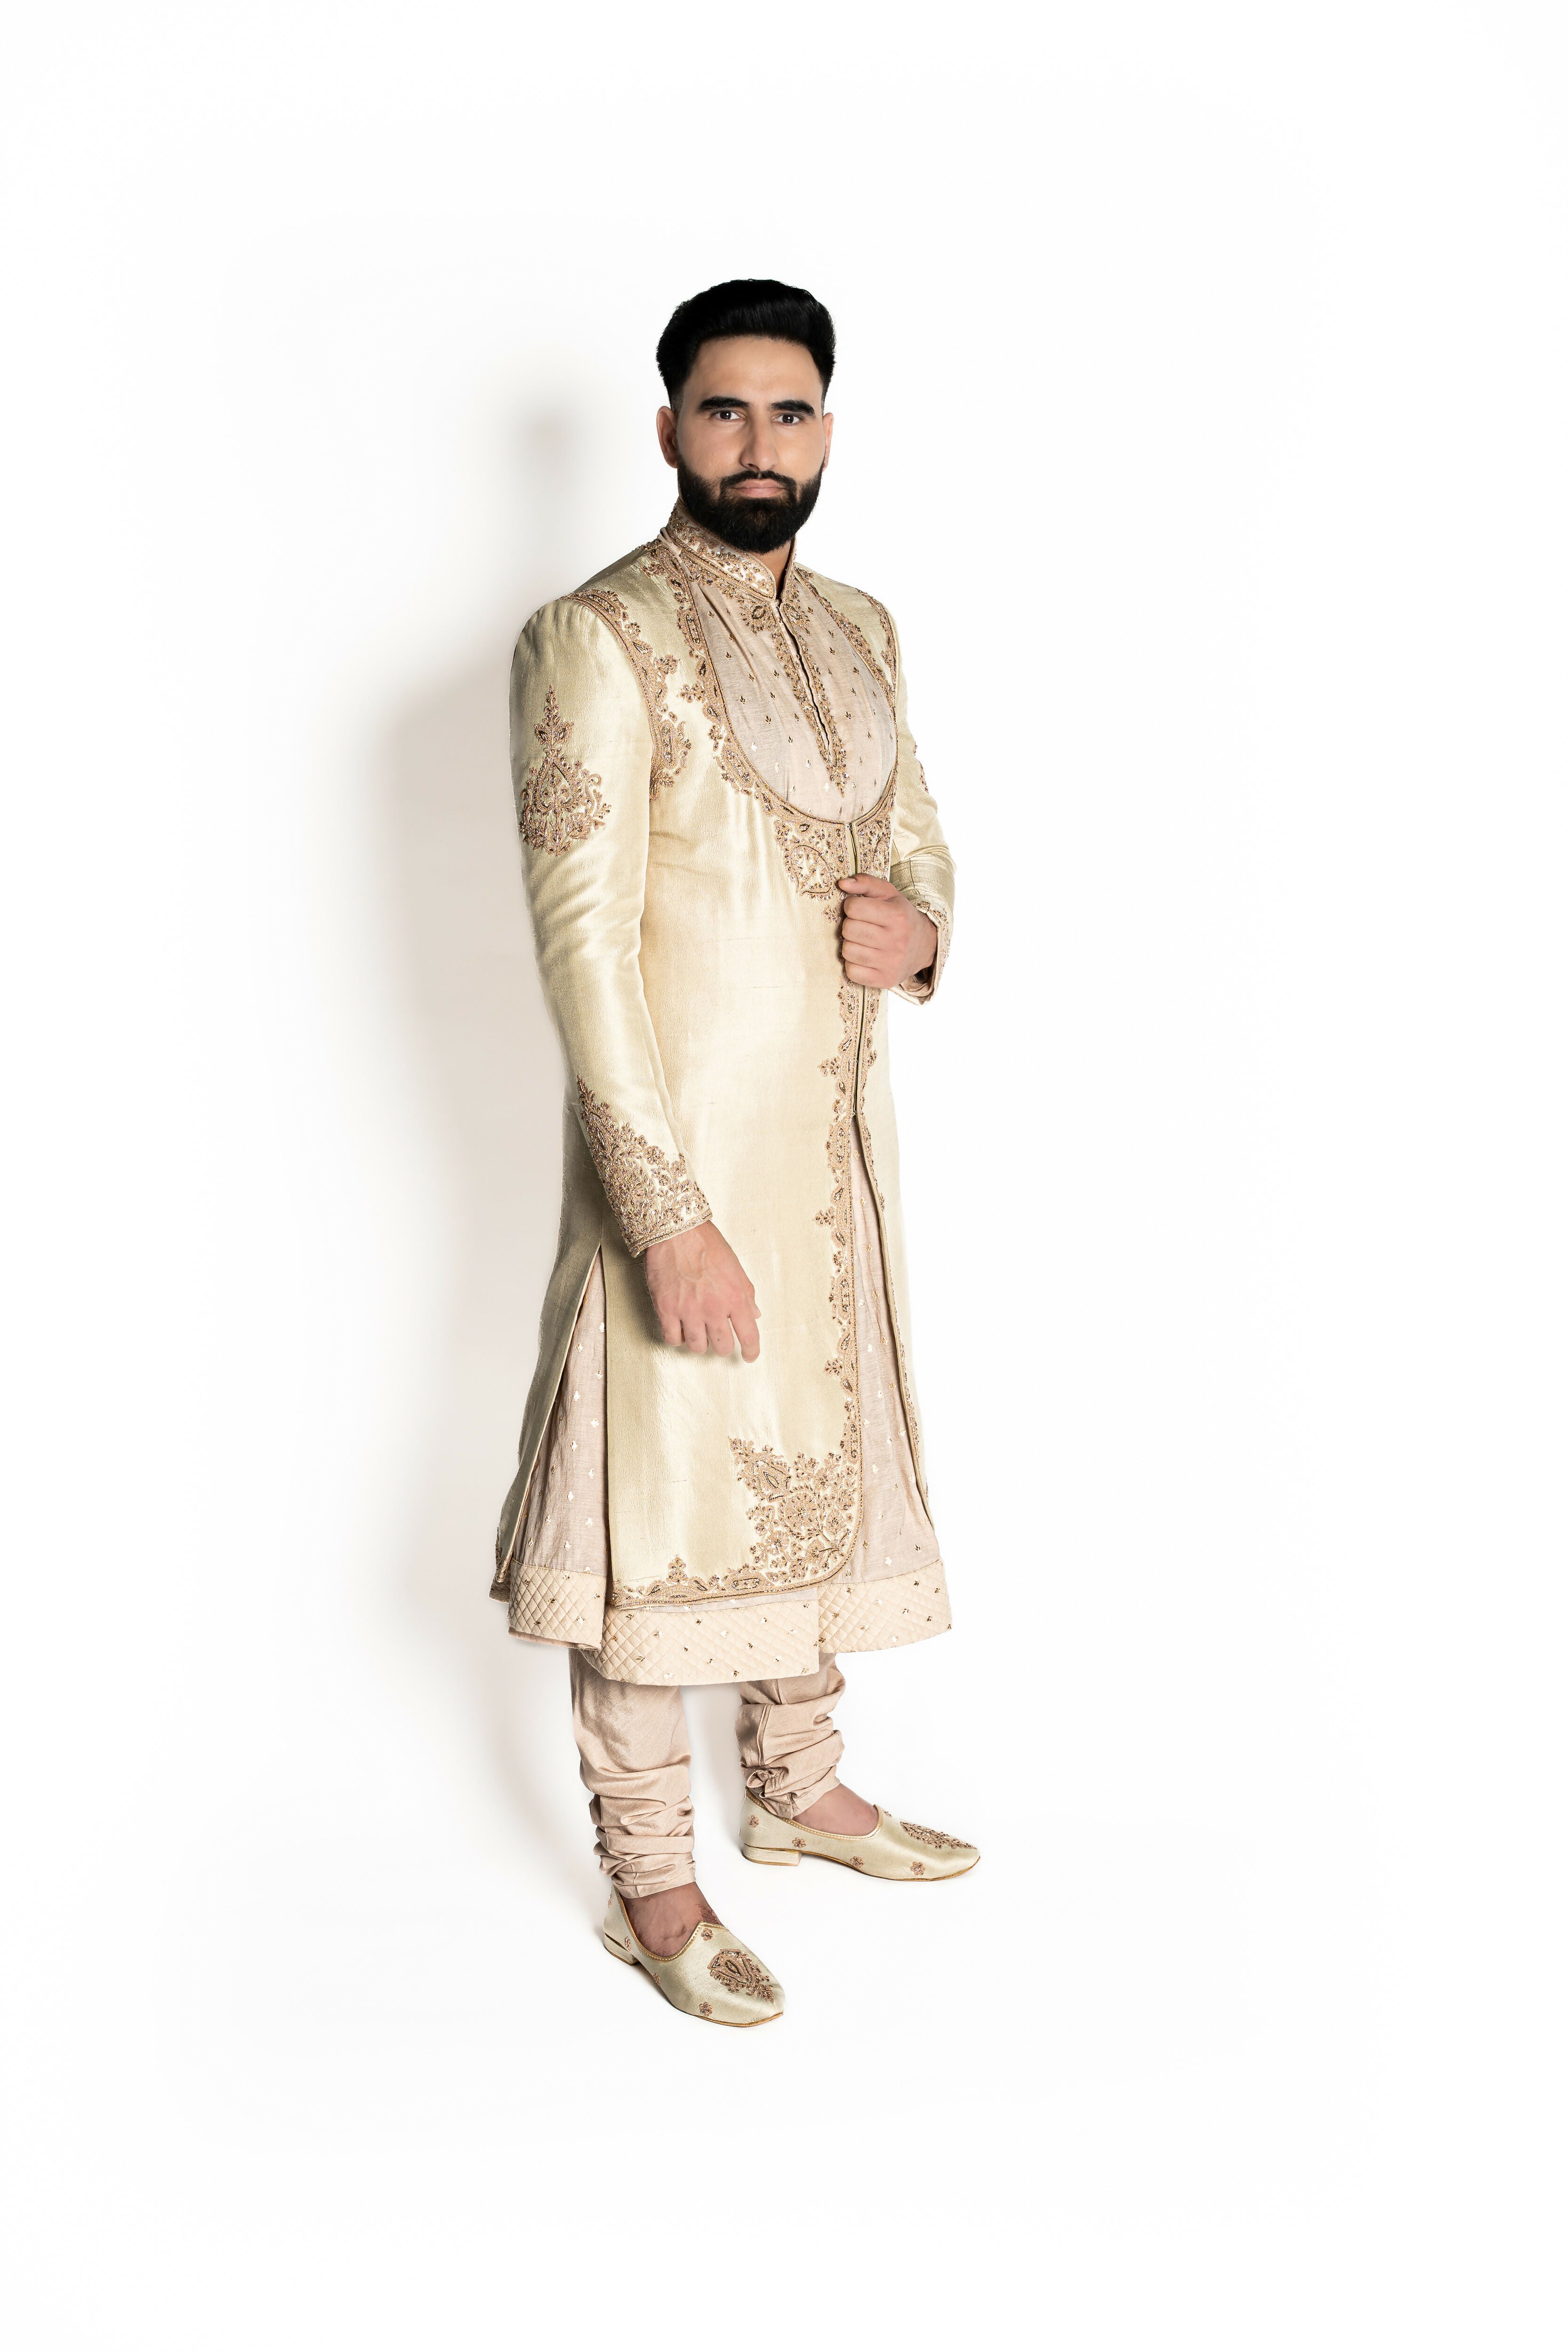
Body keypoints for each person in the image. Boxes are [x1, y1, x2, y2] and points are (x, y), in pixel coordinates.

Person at [492, 279, 976, 2027]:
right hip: (684, 1170)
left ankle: (796, 1788)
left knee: (814, 1462)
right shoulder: (598, 636)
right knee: (660, 1510)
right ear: (670, 430)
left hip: (835, 1162)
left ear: (827, 431)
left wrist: (920, 934)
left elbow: (917, 836)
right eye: (723, 410)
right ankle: (652, 1880)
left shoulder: (861, 628)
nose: (757, 444)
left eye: (789, 412)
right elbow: (582, 946)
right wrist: (662, 1217)